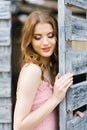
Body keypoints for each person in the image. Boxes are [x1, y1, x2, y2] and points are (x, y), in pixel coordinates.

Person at [13, 11, 84, 130]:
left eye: (50, 35)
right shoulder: (33, 71)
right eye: (37, 37)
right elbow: (19, 126)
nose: (45, 42)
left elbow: (46, 113)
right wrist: (55, 98)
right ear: (29, 40)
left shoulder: (51, 67)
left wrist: (68, 117)